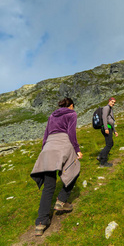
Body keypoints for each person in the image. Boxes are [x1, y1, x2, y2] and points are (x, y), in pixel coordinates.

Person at [30, 97, 83, 236]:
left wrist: (44, 150)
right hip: (63, 145)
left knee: (48, 186)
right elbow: (72, 134)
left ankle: (40, 223)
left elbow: (45, 135)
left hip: (48, 148)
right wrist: (77, 149)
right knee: (74, 169)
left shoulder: (52, 115)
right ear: (71, 105)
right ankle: (61, 200)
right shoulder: (72, 114)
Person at [97, 97, 118, 167]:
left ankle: (101, 156)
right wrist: (106, 128)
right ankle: (102, 161)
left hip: (109, 128)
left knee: (110, 143)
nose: (113, 103)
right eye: (112, 102)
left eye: (114, 102)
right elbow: (104, 118)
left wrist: (114, 131)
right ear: (109, 101)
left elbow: (111, 121)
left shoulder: (110, 109)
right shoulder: (106, 108)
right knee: (109, 144)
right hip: (107, 128)